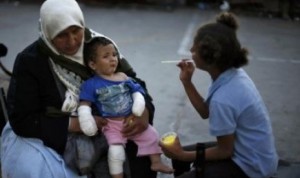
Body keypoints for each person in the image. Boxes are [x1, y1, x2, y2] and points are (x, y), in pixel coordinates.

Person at [0, 0, 157, 177]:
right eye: (61, 35)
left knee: (140, 160)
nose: (72, 41)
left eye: (76, 31)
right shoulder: (30, 62)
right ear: (48, 33)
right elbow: (22, 119)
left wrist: (144, 112)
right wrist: (76, 124)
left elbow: (135, 83)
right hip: (61, 140)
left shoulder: (99, 47)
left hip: (112, 128)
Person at [159, 12, 278, 178]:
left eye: (195, 47)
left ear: (210, 58)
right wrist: (187, 82)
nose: (191, 49)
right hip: (248, 150)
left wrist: (182, 155)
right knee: (181, 159)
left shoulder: (225, 98)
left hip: (251, 166)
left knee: (182, 158)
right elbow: (205, 112)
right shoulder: (231, 75)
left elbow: (224, 151)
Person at [77, 37, 174, 178]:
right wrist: (86, 120)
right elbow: (85, 104)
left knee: (152, 135)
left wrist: (140, 107)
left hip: (131, 120)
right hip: (111, 125)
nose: (113, 59)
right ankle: (118, 175)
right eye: (106, 56)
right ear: (93, 64)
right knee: (115, 152)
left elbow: (137, 91)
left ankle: (156, 161)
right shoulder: (91, 84)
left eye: (114, 55)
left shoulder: (123, 76)